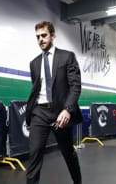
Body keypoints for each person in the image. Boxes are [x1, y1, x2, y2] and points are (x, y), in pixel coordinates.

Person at [25, 21, 83, 184]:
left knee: (67, 152)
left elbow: (75, 86)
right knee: (34, 152)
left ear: (52, 35)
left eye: (44, 35)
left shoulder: (67, 56)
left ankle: (77, 181)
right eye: (37, 37)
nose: (40, 40)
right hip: (40, 112)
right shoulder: (34, 63)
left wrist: (67, 110)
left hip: (60, 113)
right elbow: (36, 88)